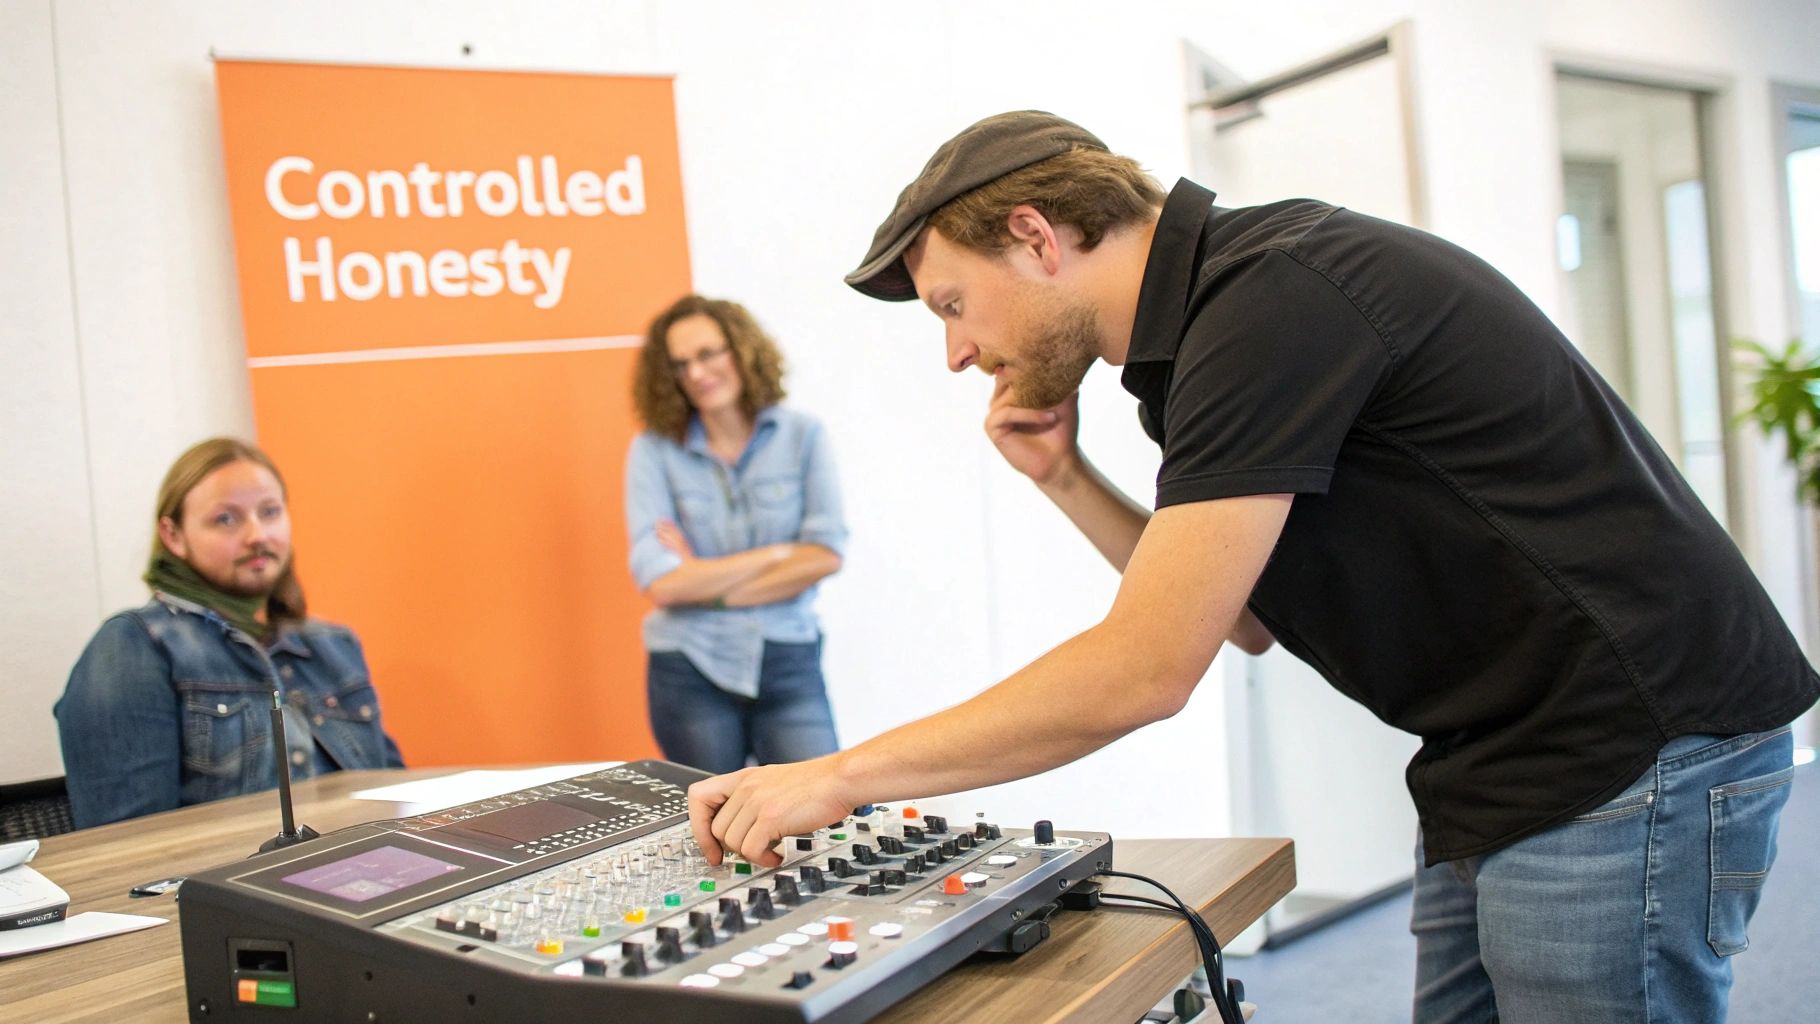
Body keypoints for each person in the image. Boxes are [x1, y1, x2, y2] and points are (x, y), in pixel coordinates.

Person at [686, 112, 1820, 1022]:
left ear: (1034, 237)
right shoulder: (1203, 342)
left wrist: (840, 775)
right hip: (1502, 754)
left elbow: (1144, 668)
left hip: (1627, 744)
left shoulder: (1271, 297)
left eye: (952, 305)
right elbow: (1241, 620)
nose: (956, 353)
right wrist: (1062, 477)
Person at [55, 438, 404, 828]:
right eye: (226, 519)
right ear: (173, 536)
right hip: (233, 885)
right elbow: (124, 849)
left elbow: (396, 796)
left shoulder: (335, 645)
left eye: (270, 512)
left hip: (370, 871)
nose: (257, 535)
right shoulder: (134, 648)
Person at [625, 294, 848, 775]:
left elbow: (825, 555)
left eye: (708, 353)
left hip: (788, 656)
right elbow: (662, 583)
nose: (697, 374)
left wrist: (706, 582)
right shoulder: (653, 450)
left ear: (741, 349)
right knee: (715, 830)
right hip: (689, 665)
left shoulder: (802, 435)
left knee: (828, 813)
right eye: (681, 364)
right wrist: (776, 554)